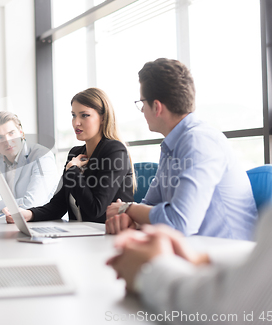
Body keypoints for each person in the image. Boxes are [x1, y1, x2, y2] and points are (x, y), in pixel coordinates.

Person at [108, 150, 272, 324]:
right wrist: (203, 261)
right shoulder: (170, 150)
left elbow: (240, 308)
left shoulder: (197, 141)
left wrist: (150, 268)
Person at [105, 58, 257, 240]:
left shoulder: (199, 141)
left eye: (142, 103)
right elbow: (150, 205)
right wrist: (130, 218)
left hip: (228, 258)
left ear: (156, 107)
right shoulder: (171, 146)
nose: (142, 110)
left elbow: (180, 223)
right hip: (194, 253)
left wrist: (127, 209)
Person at [5, 88, 134, 224]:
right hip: (80, 236)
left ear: (102, 118)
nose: (76, 122)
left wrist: (72, 169)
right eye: (73, 115)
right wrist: (28, 214)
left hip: (108, 237)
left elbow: (96, 210)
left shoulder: (114, 151)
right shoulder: (75, 153)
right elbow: (58, 206)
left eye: (84, 115)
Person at [0, 111, 58, 211]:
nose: (8, 141)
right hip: (15, 221)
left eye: (11, 133)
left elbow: (32, 203)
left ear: (20, 132)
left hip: (44, 222)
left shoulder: (42, 156)